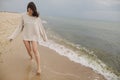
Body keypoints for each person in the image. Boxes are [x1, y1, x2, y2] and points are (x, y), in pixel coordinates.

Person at [8, 1, 48, 75]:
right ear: (27, 9)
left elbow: (41, 28)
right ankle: (31, 57)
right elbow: (19, 28)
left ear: (34, 10)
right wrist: (12, 37)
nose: (30, 11)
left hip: (34, 36)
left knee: (35, 50)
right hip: (26, 36)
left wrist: (44, 37)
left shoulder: (36, 17)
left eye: (32, 10)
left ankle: (39, 67)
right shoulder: (23, 16)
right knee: (29, 51)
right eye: (29, 9)